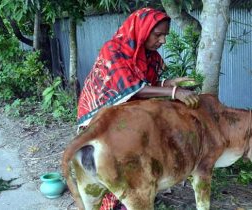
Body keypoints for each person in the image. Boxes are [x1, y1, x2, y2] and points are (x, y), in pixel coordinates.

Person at [76, 7, 200, 210]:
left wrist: (167, 83)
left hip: (125, 116)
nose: (163, 41)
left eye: (165, 35)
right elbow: (131, 90)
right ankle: (112, 203)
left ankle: (130, 197)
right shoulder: (113, 51)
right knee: (106, 164)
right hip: (98, 116)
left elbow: (145, 84)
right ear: (142, 29)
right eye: (158, 34)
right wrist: (174, 92)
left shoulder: (146, 55)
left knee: (130, 161)